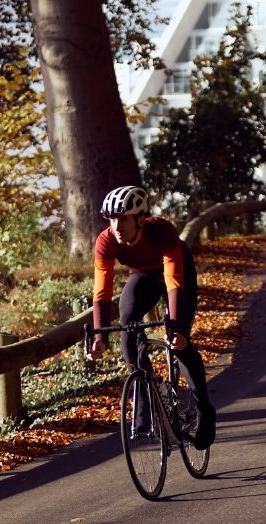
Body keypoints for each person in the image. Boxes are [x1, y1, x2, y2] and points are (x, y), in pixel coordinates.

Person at [87, 185, 216, 448]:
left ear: (141, 219)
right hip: (143, 276)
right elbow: (101, 291)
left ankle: (204, 410)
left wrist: (177, 328)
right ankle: (146, 389)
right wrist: (100, 336)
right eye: (112, 220)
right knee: (127, 322)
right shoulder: (106, 240)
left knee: (178, 342)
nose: (116, 226)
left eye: (123, 219)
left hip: (178, 276)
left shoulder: (161, 230)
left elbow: (173, 281)